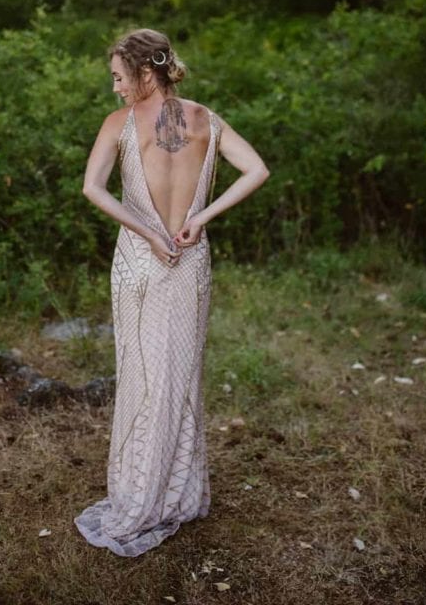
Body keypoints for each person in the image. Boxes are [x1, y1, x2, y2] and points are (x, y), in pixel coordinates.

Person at [73, 28, 270, 557]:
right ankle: (176, 493)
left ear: (143, 73)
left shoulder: (121, 124)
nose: (115, 89)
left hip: (142, 261)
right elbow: (257, 170)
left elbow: (92, 188)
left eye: (118, 77)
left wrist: (145, 230)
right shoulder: (207, 118)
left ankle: (140, 499)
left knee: (142, 378)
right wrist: (201, 218)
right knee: (180, 377)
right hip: (191, 260)